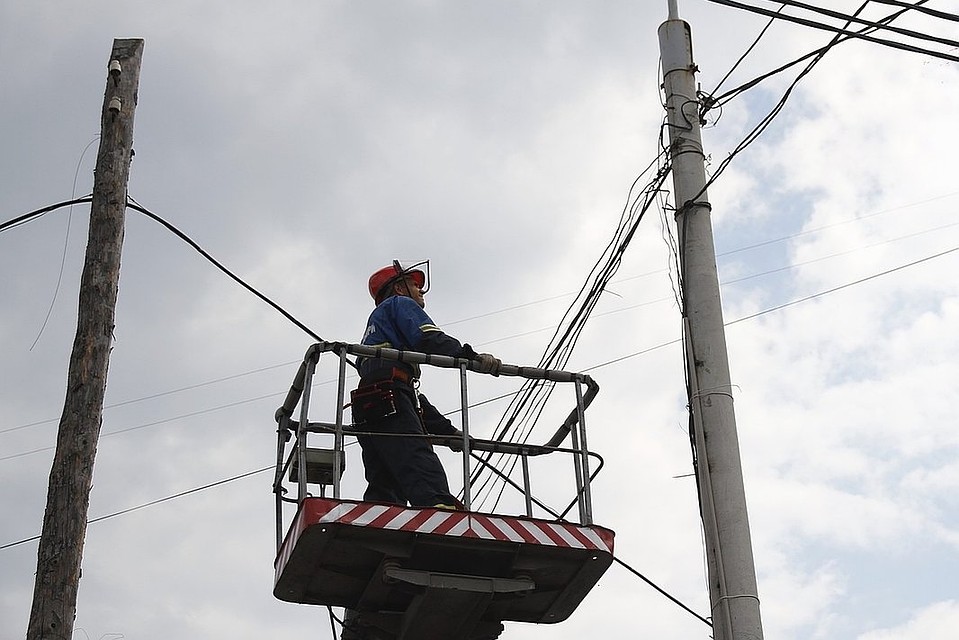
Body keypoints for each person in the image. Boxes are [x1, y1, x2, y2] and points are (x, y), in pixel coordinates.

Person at [350, 261, 501, 508]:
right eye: (415, 285)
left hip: (369, 401)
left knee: (385, 470)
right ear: (399, 289)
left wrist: (448, 432)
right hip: (389, 393)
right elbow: (428, 338)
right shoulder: (400, 304)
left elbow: (410, 398)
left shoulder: (377, 332)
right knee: (414, 455)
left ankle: (382, 514)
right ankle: (438, 507)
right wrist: (471, 359)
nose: (420, 291)